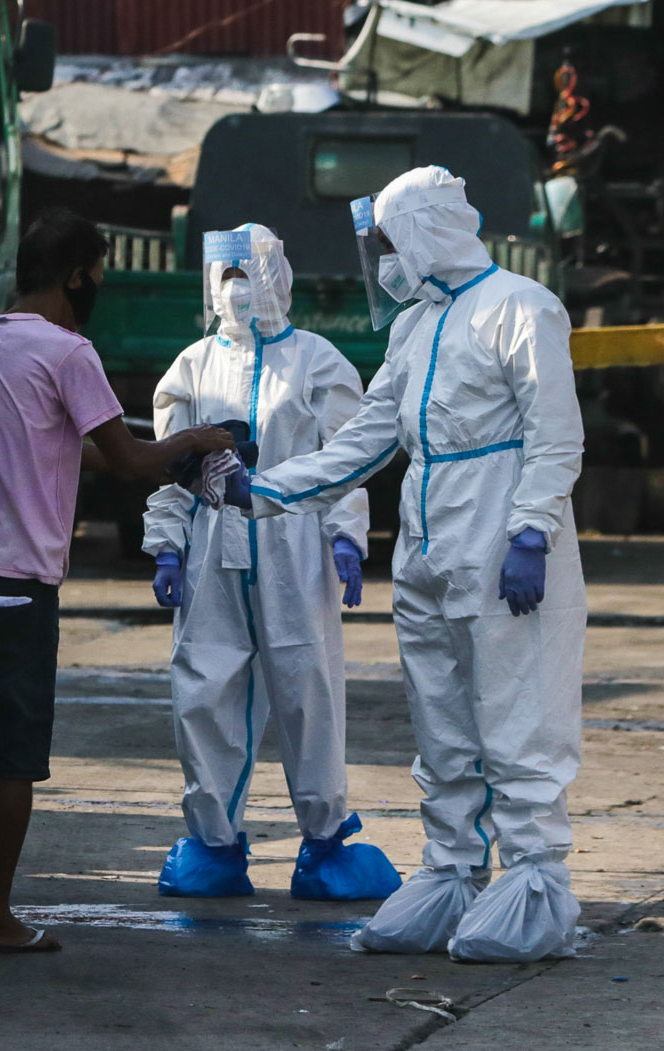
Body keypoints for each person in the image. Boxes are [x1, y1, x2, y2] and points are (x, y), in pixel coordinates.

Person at [226, 167, 586, 962]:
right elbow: (365, 441)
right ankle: (451, 872)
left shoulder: (523, 308)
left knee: (518, 718)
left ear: (424, 230)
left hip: (501, 539)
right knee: (443, 722)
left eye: (388, 242)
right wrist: (262, 491)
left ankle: (534, 884)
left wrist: (532, 531)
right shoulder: (415, 328)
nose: (383, 261)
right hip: (428, 542)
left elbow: (556, 434)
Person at [0, 210, 234, 953]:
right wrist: (194, 442)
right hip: (18, 586)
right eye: (97, 271)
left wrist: (165, 458)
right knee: (15, 757)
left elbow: (56, 444)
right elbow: (128, 462)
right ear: (76, 276)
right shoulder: (73, 354)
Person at [141, 223, 401, 901]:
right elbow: (169, 466)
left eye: (246, 276)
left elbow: (347, 455)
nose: (236, 293)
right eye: (225, 279)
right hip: (210, 553)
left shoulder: (318, 362)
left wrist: (347, 536)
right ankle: (212, 846)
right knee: (205, 690)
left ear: (276, 278)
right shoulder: (191, 367)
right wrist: (167, 542)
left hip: (295, 547)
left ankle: (325, 844)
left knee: (307, 690)